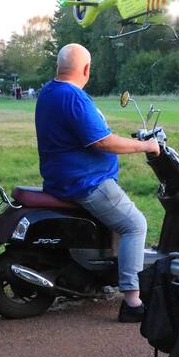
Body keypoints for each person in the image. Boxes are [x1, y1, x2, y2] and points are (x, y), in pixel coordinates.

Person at [34, 43, 161, 322]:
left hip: (60, 178)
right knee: (135, 224)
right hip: (85, 182)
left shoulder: (49, 91)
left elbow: (91, 131)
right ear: (87, 69)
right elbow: (102, 141)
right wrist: (146, 147)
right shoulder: (73, 97)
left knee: (119, 220)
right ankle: (132, 301)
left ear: (59, 67)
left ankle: (103, 274)